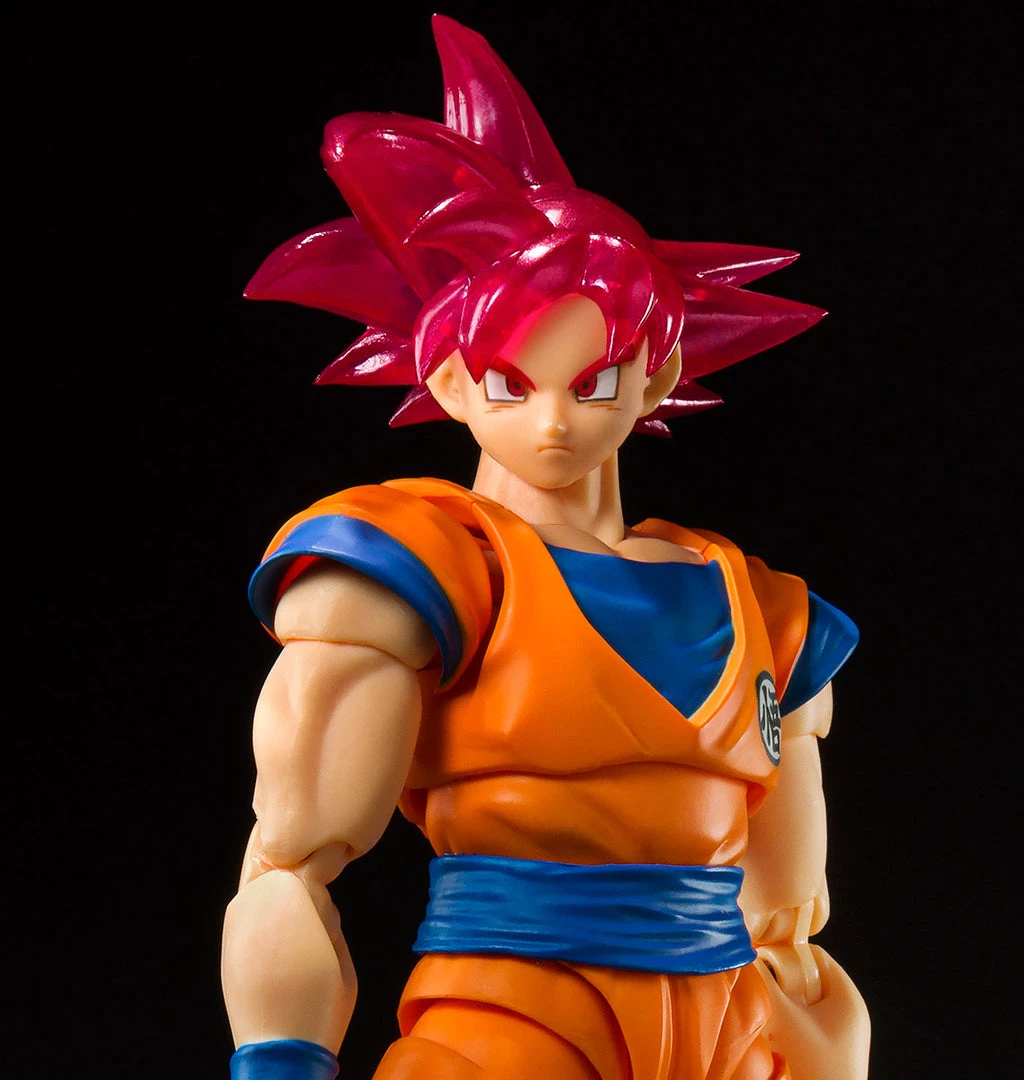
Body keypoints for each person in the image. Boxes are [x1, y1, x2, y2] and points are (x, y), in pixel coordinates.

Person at [222, 16, 870, 1080]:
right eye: (512, 383)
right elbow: (291, 861)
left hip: (727, 1035)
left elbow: (790, 924)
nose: (556, 421)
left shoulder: (762, 609)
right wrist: (282, 1060)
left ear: (658, 376)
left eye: (597, 380)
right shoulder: (423, 562)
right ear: (448, 381)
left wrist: (823, 1048)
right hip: (509, 1022)